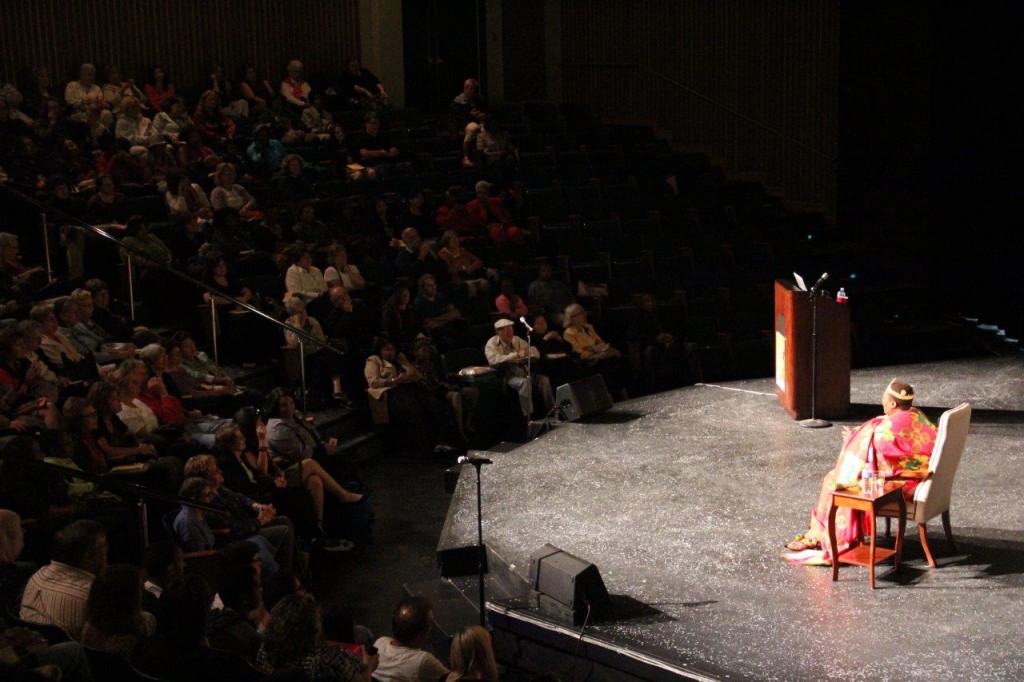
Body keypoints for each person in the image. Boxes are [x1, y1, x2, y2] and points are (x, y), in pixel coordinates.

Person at [785, 379, 938, 563]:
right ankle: (818, 533)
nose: (882, 402)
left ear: (892, 404)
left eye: (883, 398)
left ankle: (829, 538)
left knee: (835, 481)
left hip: (904, 483)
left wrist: (855, 440)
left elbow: (877, 452)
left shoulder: (887, 429)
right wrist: (860, 436)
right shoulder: (916, 416)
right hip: (921, 478)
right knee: (841, 477)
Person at [257, 592, 375, 681]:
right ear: (310, 630)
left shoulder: (264, 648)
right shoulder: (323, 657)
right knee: (365, 632)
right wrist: (369, 666)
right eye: (319, 620)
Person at [20, 519, 107, 639]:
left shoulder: (38, 575)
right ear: (87, 557)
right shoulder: (93, 595)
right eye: (104, 545)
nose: (107, 549)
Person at [484, 317, 553, 420]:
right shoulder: (492, 343)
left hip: (524, 371)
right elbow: (493, 360)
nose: (509, 332)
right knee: (525, 383)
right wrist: (515, 355)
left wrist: (528, 354)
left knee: (544, 380)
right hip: (508, 376)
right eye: (505, 330)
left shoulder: (516, 340)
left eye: (511, 329)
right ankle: (529, 416)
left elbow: (534, 352)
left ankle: (551, 410)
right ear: (498, 332)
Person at [81, 563, 155, 657]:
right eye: (139, 590)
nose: (141, 594)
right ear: (130, 599)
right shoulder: (145, 624)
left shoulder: (88, 630)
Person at [373, 596, 448, 682]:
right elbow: (453, 679)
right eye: (430, 625)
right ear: (420, 635)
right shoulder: (423, 661)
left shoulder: (380, 642)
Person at [562, 303, 627, 399]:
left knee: (617, 357)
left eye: (579, 314)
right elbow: (579, 352)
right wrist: (594, 350)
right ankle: (611, 396)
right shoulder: (569, 333)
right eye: (574, 316)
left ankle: (624, 393)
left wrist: (595, 349)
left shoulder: (588, 327)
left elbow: (601, 343)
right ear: (569, 318)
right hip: (586, 361)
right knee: (604, 363)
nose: (578, 318)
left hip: (599, 355)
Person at [527, 262, 575, 327]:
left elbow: (570, 297)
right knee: (566, 320)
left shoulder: (559, 284)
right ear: (539, 272)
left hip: (566, 309)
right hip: (550, 313)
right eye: (543, 271)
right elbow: (534, 303)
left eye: (548, 270)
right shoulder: (534, 286)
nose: (546, 273)